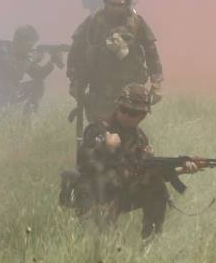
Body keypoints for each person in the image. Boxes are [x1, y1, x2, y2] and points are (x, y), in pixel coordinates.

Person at [71, 83, 181, 239]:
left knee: (156, 187)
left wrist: (178, 170)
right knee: (103, 242)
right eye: (124, 110)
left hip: (121, 192)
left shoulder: (139, 137)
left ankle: (150, 240)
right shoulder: (99, 129)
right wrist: (104, 147)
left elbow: (143, 171)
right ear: (117, 107)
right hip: (95, 195)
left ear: (142, 116)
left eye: (134, 113)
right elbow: (83, 161)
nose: (127, 116)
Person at [66, 0, 163, 124]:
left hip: (130, 89)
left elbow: (151, 52)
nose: (116, 9)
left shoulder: (136, 22)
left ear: (126, 3)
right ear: (106, 2)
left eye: (120, 5)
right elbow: (76, 52)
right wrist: (74, 81)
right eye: (112, 4)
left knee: (128, 128)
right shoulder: (94, 22)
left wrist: (156, 84)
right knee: (100, 130)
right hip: (100, 87)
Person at [0, 25, 59, 116]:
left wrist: (52, 62)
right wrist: (30, 59)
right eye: (29, 45)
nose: (31, 48)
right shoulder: (3, 50)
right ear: (19, 42)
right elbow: (15, 73)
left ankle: (27, 119)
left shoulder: (23, 55)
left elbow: (39, 75)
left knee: (38, 84)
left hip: (9, 93)